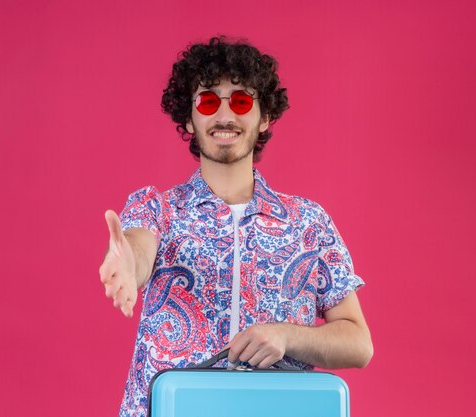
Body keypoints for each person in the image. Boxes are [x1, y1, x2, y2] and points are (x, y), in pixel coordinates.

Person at [99, 36, 373, 417]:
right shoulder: (157, 209)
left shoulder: (309, 223)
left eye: (241, 101)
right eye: (208, 101)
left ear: (264, 117)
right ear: (189, 118)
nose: (224, 117)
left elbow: (359, 344)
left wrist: (285, 335)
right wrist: (128, 262)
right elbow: (139, 249)